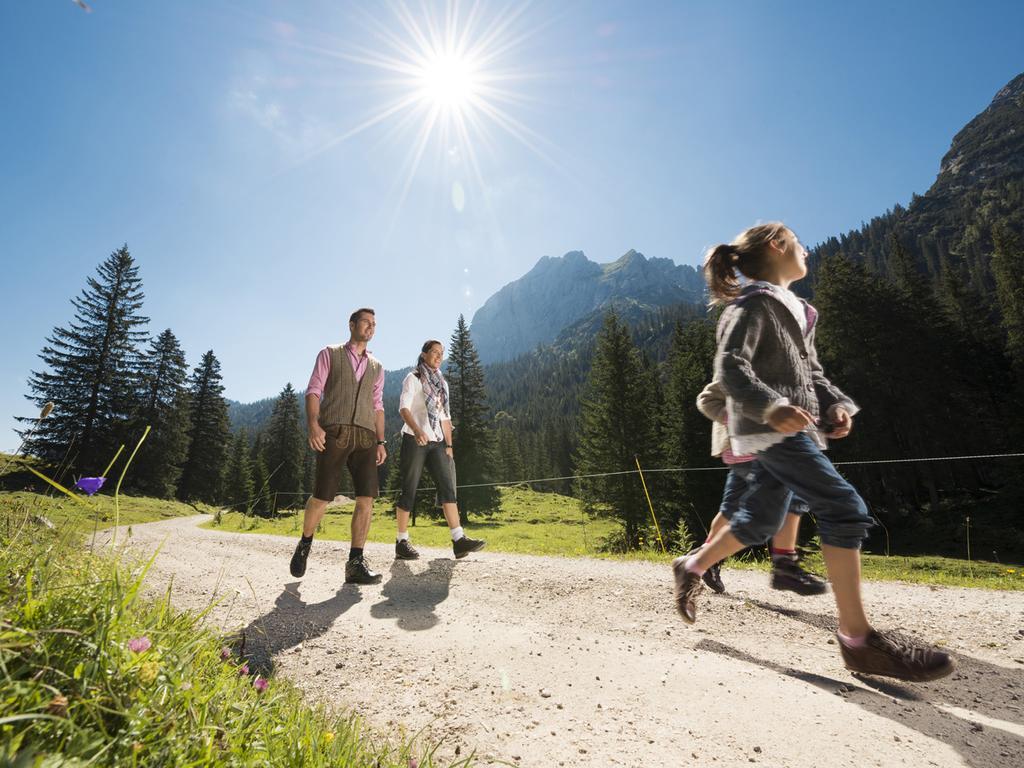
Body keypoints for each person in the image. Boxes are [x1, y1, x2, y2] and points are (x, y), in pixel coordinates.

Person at [673, 222, 954, 682]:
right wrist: (772, 406)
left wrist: (835, 405)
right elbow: (729, 366)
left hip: (792, 427)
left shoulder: (800, 310)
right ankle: (859, 642)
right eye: (799, 243)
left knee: (760, 521)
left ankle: (693, 563)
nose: (805, 251)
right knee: (843, 507)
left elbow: (813, 374)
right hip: (770, 430)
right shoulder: (752, 304)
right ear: (777, 246)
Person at [693, 379, 827, 596]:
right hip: (750, 448)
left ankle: (705, 559)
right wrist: (737, 419)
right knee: (788, 495)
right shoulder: (742, 363)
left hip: (766, 447)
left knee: (733, 508)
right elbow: (707, 398)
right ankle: (783, 564)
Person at [289, 308, 388, 585]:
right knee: (322, 496)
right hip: (334, 432)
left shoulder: (377, 367)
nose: (371, 327)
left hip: (367, 437)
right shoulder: (329, 354)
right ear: (352, 324)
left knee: (366, 499)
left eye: (374, 324)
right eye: (366, 322)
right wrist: (313, 425)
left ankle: (355, 562)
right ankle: (305, 543)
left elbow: (378, 406)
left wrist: (381, 441)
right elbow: (314, 390)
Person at [393, 340, 486, 560]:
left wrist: (449, 446)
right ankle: (401, 541)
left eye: (441, 353)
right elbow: (403, 408)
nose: (438, 356)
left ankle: (458, 540)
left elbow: (445, 416)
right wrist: (417, 430)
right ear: (424, 354)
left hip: (437, 442)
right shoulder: (413, 378)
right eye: (434, 352)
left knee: (448, 489)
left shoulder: (442, 383)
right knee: (409, 489)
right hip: (414, 439)